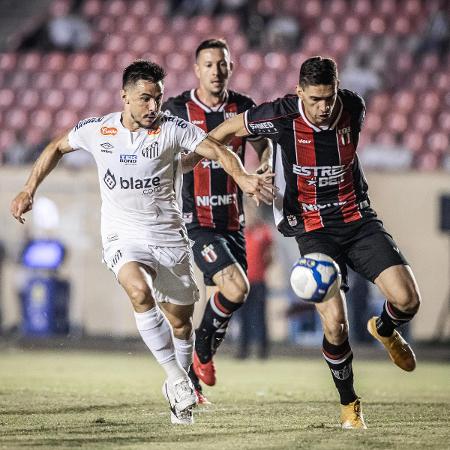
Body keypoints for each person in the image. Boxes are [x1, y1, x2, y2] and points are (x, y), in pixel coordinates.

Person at [10, 59, 274, 425]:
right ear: (125, 97)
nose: (153, 107)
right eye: (145, 99)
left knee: (181, 324)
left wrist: (243, 177)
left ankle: (179, 393)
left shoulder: (172, 129)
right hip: (123, 234)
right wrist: (28, 188)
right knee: (138, 290)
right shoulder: (98, 130)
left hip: (168, 237)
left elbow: (217, 149)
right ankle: (179, 381)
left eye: (158, 99)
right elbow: (56, 146)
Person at [208, 56, 421, 429]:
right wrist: (244, 174)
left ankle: (385, 329)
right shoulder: (277, 115)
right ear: (299, 93)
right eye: (315, 99)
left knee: (407, 299)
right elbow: (219, 136)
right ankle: (349, 404)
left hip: (356, 219)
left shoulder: (353, 107)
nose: (324, 108)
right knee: (335, 324)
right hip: (312, 228)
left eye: (330, 98)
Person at [162, 39, 272, 403]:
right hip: (197, 221)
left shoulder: (242, 108)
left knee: (220, 308)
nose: (216, 70)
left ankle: (191, 387)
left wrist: (265, 164)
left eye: (222, 64)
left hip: (233, 221)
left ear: (231, 66)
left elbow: (263, 142)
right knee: (238, 289)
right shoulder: (177, 109)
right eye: (208, 64)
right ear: (197, 69)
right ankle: (201, 356)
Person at [235, 200, 273, 359]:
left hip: (258, 281)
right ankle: (243, 350)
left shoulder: (264, 232)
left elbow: (270, 256)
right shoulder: (239, 232)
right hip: (241, 282)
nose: (251, 215)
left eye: (253, 212)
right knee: (242, 318)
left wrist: (262, 269)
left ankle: (262, 351)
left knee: (259, 317)